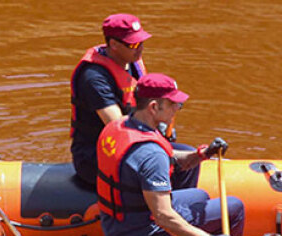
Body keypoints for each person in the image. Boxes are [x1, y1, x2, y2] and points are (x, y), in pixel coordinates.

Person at [96, 73, 243, 236]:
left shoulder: (119, 126)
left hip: (116, 224)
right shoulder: (151, 155)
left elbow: (168, 156)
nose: (177, 108)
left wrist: (203, 154)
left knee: (200, 195)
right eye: (173, 104)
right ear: (154, 107)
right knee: (234, 207)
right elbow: (163, 217)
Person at [70, 14, 202, 191]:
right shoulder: (94, 78)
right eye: (133, 44)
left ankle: (175, 205)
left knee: (187, 157)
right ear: (114, 45)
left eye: (141, 42)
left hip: (134, 142)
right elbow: (117, 127)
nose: (139, 48)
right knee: (169, 161)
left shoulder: (131, 61)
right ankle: (163, 212)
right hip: (97, 155)